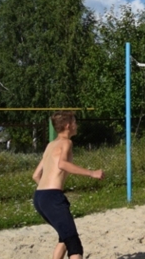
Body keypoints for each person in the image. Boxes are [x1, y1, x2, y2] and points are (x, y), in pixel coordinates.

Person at [32, 111, 104, 259]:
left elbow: (36, 175)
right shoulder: (67, 143)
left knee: (64, 237)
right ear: (67, 125)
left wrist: (48, 195)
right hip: (51, 197)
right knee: (74, 244)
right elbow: (63, 164)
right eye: (74, 122)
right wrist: (92, 173)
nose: (76, 125)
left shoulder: (51, 145)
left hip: (39, 197)